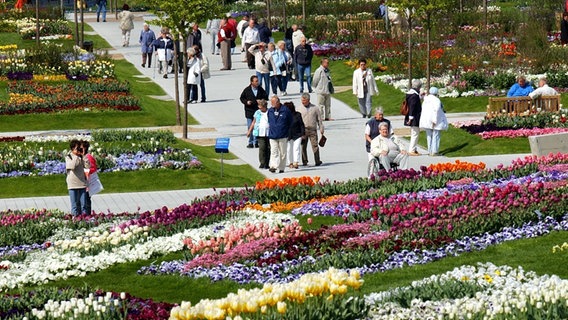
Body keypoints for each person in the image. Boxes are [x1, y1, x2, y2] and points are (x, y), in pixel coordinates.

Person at [240, 75, 269, 148]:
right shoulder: (247, 90)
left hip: (258, 111)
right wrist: (246, 102)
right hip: (249, 111)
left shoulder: (260, 89)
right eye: (255, 81)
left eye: (257, 81)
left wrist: (261, 100)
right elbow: (242, 98)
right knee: (250, 126)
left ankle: (256, 142)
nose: (257, 83)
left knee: (256, 126)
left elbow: (265, 97)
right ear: (251, 82)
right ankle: (250, 142)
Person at [419, 87, 448, 156]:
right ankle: (435, 151)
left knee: (429, 135)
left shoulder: (426, 99)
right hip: (435, 120)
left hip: (426, 120)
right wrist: (434, 120)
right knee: (436, 135)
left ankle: (430, 150)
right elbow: (437, 111)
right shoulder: (436, 100)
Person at [267, 96, 293, 173]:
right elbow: (269, 120)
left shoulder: (285, 110)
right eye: (271, 102)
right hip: (272, 135)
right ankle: (273, 166)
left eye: (273, 102)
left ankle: (281, 167)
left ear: (278, 102)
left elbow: (290, 121)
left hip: (282, 135)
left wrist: (286, 130)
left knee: (283, 153)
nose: (271, 104)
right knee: (274, 151)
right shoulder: (270, 111)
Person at [298, 93, 324, 166]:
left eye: (304, 100)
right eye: (302, 100)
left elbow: (319, 120)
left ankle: (317, 160)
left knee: (315, 145)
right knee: (303, 146)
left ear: (308, 100)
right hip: (303, 130)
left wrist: (321, 128)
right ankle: (304, 161)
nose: (302, 102)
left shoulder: (315, 108)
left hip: (313, 129)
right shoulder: (299, 109)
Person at [65, 139, 89, 216]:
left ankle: (85, 219)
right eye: (76, 148)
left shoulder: (81, 157)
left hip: (82, 183)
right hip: (72, 184)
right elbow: (72, 166)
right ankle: (75, 219)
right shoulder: (68, 157)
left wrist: (83, 156)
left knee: (84, 205)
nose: (78, 149)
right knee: (74, 205)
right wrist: (76, 156)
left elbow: (87, 166)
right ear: (72, 149)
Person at [247, 99, 271, 169]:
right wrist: (249, 131)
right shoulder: (257, 112)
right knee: (262, 147)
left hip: (268, 133)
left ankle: (267, 163)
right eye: (259, 107)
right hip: (260, 133)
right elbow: (253, 122)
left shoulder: (269, 112)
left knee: (268, 148)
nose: (259, 108)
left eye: (261, 107)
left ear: (265, 106)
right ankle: (262, 162)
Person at [404, 79, 422, 155]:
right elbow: (412, 106)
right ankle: (412, 149)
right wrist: (411, 118)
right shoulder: (414, 96)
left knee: (414, 133)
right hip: (414, 117)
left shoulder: (410, 93)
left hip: (412, 116)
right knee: (415, 133)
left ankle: (414, 149)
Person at [286, 102, 305, 169]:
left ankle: (296, 162)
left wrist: (303, 134)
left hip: (297, 134)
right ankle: (290, 163)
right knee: (289, 149)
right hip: (288, 135)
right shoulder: (284, 115)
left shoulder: (297, 115)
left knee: (296, 148)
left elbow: (301, 125)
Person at [81, 141, 97, 215]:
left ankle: (87, 215)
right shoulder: (81, 157)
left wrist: (86, 171)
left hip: (87, 182)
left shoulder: (88, 157)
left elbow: (93, 169)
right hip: (82, 182)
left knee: (86, 200)